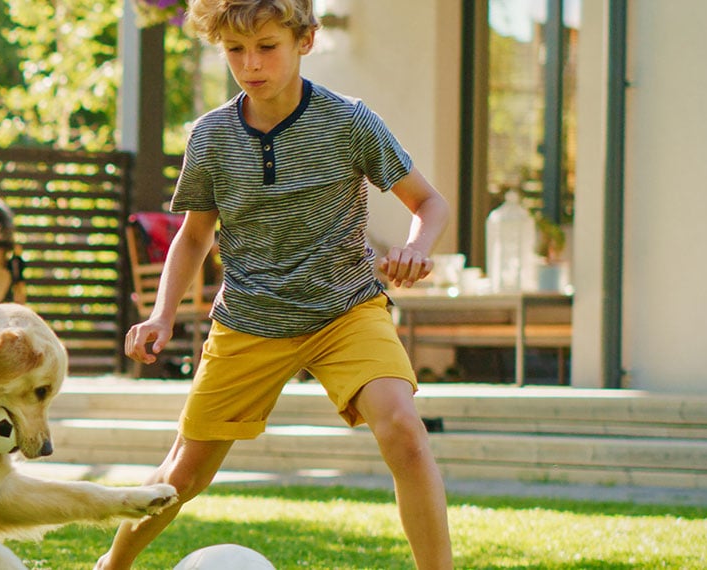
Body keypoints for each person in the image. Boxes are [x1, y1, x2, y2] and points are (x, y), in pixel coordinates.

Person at [97, 1, 454, 569]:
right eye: (236, 50)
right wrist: (163, 314)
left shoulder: (348, 122)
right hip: (249, 320)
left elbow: (429, 203)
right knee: (181, 475)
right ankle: (110, 567)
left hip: (346, 311)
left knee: (405, 431)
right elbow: (193, 237)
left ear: (305, 42)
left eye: (267, 47)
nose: (250, 64)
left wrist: (416, 247)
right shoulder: (212, 135)